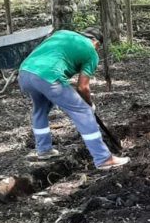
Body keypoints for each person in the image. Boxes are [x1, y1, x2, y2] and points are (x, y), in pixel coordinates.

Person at [18, 27, 129, 170]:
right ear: (95, 41)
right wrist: (89, 105)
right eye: (98, 46)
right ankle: (103, 158)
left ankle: (44, 150)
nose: (96, 49)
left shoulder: (62, 33)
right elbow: (83, 87)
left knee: (41, 109)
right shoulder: (91, 52)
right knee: (83, 112)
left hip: (25, 73)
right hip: (48, 76)